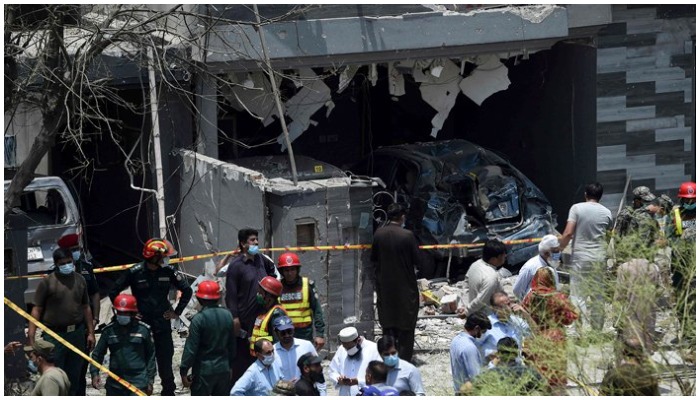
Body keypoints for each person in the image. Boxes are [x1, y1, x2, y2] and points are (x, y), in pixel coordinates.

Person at [108, 238, 192, 396]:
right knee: (141, 359)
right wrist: (128, 312)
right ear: (154, 256)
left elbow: (187, 291)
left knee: (165, 360)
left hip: (162, 324)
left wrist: (176, 312)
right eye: (162, 256)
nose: (165, 259)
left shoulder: (168, 271)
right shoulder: (135, 272)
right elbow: (114, 292)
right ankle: (141, 390)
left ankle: (168, 391)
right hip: (141, 324)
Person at [27, 247, 95, 396]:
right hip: (55, 336)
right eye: (63, 263)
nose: (67, 266)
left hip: (77, 334)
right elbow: (36, 309)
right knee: (55, 377)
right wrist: (31, 337)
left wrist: (91, 332)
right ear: (56, 264)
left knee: (75, 377)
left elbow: (86, 307)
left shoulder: (80, 280)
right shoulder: (47, 283)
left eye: (69, 262)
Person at [224, 228, 278, 383]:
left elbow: (273, 276)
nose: (256, 243)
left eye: (256, 240)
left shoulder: (262, 260)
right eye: (252, 240)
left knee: (261, 358)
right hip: (244, 321)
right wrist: (234, 318)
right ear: (243, 243)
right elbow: (231, 295)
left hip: (261, 320)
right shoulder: (236, 266)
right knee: (242, 364)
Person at [558, 182, 612, 331]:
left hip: (581, 259)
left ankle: (575, 331)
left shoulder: (577, 208)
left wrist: (560, 247)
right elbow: (607, 236)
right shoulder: (607, 212)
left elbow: (568, 233)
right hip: (599, 259)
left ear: (586, 194)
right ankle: (596, 331)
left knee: (577, 295)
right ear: (600, 196)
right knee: (597, 296)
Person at [371, 203, 421, 362]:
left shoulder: (378, 234)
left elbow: (373, 259)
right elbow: (418, 260)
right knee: (406, 327)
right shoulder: (407, 236)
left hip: (385, 289)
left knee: (388, 325)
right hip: (406, 289)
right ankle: (404, 360)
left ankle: (388, 357)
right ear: (402, 217)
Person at [56, 232, 100, 396]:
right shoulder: (55, 273)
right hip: (63, 331)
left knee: (80, 370)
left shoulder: (86, 268)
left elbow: (95, 294)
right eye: (72, 249)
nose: (76, 252)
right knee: (63, 372)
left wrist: (95, 320)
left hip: (83, 328)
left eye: (77, 248)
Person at [522, 267, 578, 391]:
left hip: (535, 337)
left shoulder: (530, 296)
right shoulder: (558, 297)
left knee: (538, 373)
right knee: (555, 376)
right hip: (555, 338)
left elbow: (523, 313)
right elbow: (570, 319)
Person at [90, 294, 156, 396]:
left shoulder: (143, 330)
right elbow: (97, 354)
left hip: (138, 383)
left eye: (125, 313)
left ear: (133, 313)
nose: (122, 315)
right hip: (115, 384)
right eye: (119, 312)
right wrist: (95, 373)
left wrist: (150, 381)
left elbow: (150, 356)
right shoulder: (109, 331)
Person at [179, 280, 236, 396]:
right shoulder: (228, 315)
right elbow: (232, 345)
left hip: (203, 372)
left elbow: (191, 349)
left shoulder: (198, 319)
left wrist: (184, 371)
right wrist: (230, 366)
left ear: (200, 299)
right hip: (223, 369)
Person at [277, 252, 326, 350]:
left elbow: (317, 310)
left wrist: (320, 334)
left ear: (297, 270)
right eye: (286, 270)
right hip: (284, 334)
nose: (290, 273)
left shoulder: (307, 285)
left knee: (305, 363)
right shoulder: (277, 287)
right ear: (282, 271)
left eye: (292, 269)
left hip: (304, 334)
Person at [612, 257, 662, 353]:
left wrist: (615, 316)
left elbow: (619, 295)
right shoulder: (654, 268)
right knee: (646, 347)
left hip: (631, 315)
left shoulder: (624, 268)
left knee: (630, 346)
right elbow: (660, 290)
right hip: (649, 314)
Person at [471, 337, 548, 396]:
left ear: (498, 353)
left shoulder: (491, 374)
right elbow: (546, 388)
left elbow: (466, 389)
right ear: (517, 353)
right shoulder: (529, 372)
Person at [478, 291, 533, 363]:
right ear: (494, 308)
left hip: (516, 367)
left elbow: (535, 333)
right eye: (503, 306)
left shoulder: (516, 321)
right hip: (495, 369)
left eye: (509, 304)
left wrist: (526, 315)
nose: (508, 308)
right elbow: (475, 347)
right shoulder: (486, 324)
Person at [459, 239, 507, 318]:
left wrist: (463, 306)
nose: (505, 257)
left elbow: (465, 287)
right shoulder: (491, 276)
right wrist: (467, 311)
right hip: (486, 317)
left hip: (474, 314)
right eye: (503, 255)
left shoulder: (475, 265)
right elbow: (481, 300)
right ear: (494, 259)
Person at [329, 326, 383, 396]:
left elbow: (380, 376)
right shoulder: (341, 349)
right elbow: (332, 370)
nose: (347, 350)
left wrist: (358, 382)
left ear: (358, 341)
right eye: (345, 347)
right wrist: (339, 380)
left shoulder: (374, 349)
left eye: (349, 347)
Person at [449, 312, 492, 394]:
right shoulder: (470, 347)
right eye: (483, 331)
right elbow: (477, 379)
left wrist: (486, 360)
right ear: (477, 329)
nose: (484, 334)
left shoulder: (456, 340)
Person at [271, 315, 318, 382]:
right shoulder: (272, 352)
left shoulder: (307, 346)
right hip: (283, 391)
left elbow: (317, 370)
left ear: (293, 330)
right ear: (276, 333)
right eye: (283, 333)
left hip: (306, 390)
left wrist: (322, 392)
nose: (287, 335)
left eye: (289, 331)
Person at [513, 234, 561, 301]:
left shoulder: (551, 264)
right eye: (556, 251)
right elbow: (517, 290)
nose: (559, 253)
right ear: (546, 253)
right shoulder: (531, 267)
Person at [249, 277, 289, 355]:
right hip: (262, 357)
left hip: (271, 358)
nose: (258, 295)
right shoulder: (264, 311)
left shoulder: (277, 313)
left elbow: (279, 341)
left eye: (261, 293)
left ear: (269, 296)